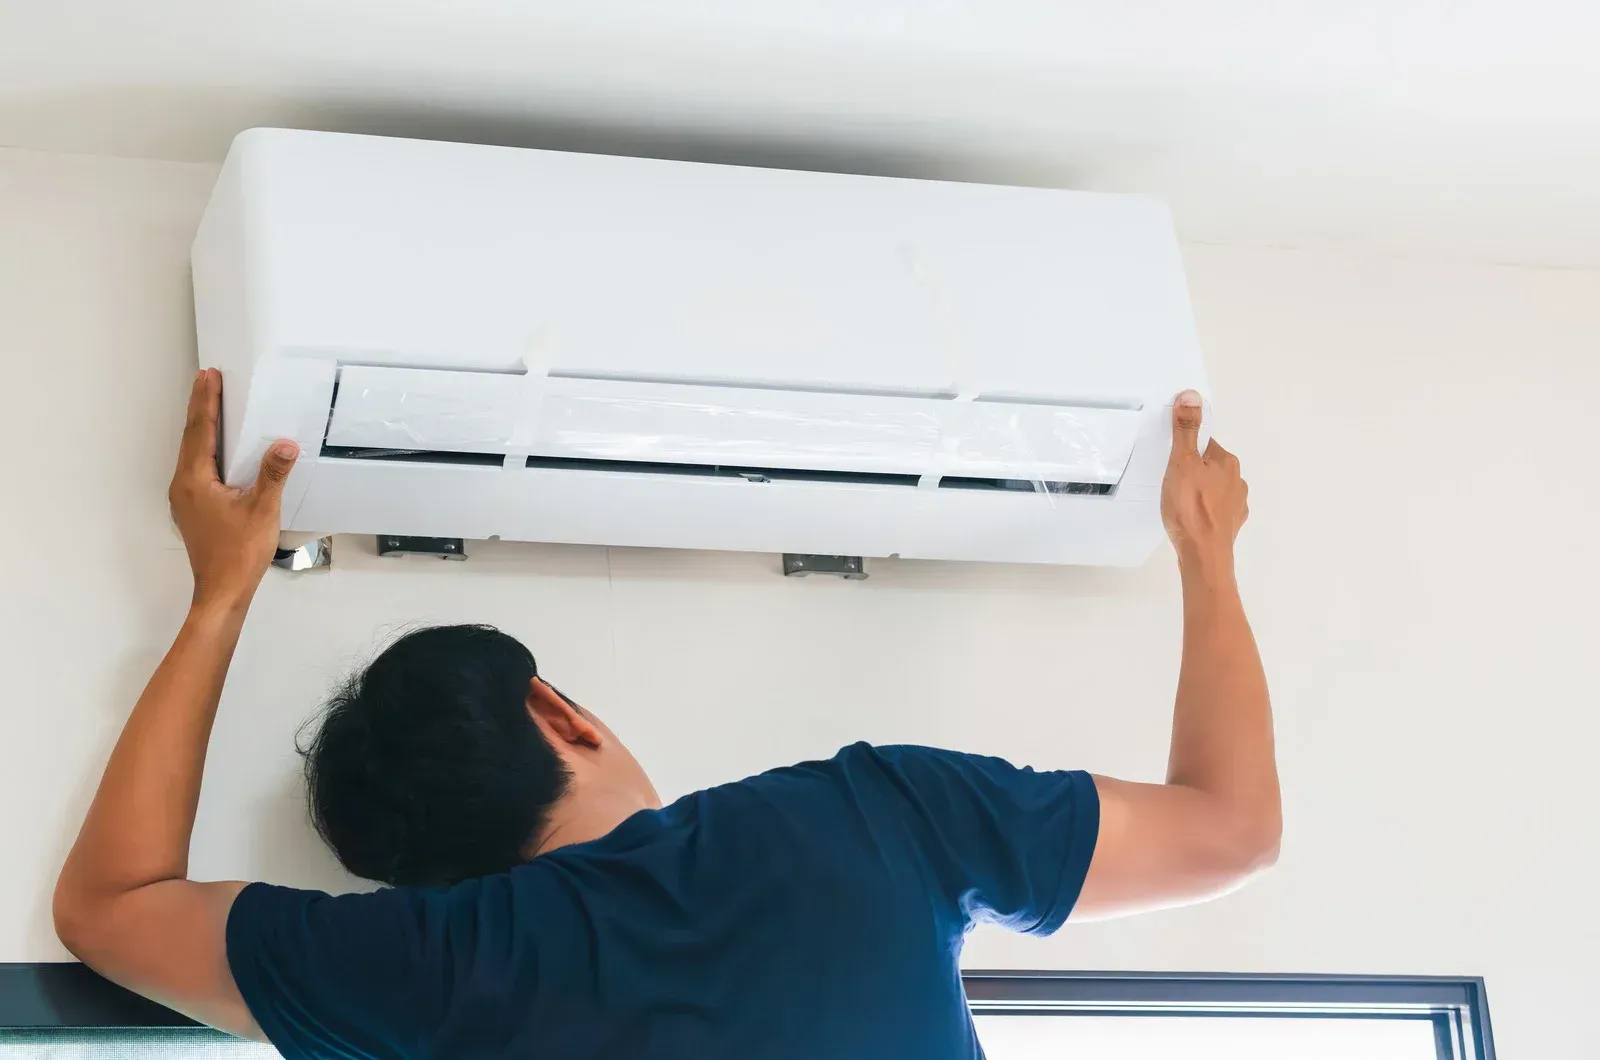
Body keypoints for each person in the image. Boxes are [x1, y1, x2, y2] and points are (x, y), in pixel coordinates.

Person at [53, 369, 1277, 1059]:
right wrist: (1206, 555)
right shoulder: (874, 817)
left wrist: (218, 600)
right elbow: (1229, 830)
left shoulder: (428, 966)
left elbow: (109, 908)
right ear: (560, 714)